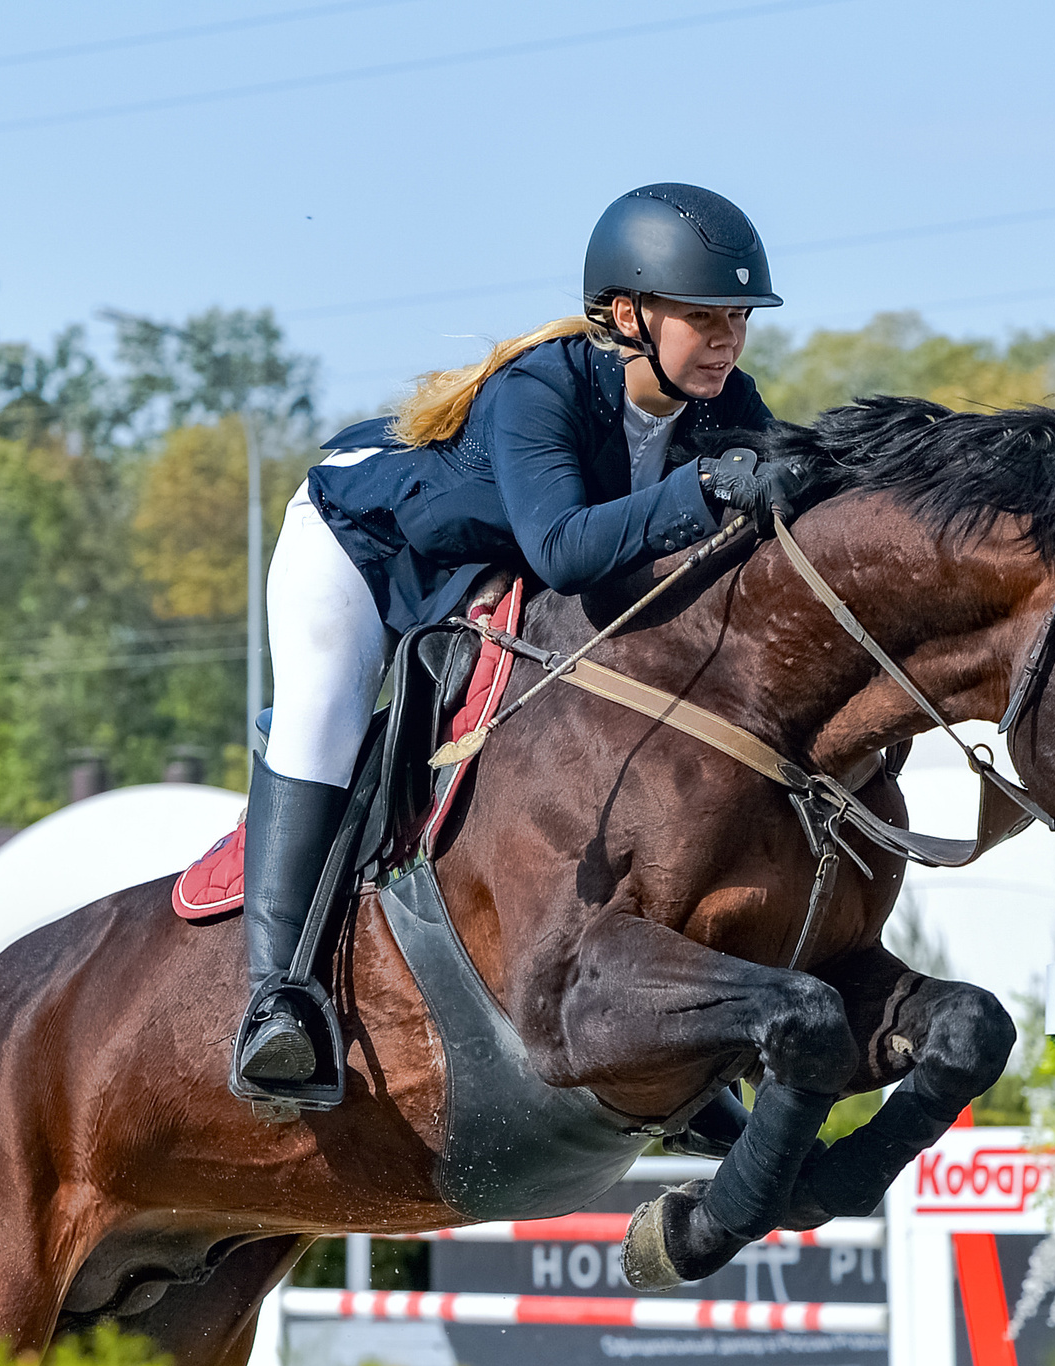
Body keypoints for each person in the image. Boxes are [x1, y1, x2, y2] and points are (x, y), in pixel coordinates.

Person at [235, 183, 797, 1109]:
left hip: (479, 579)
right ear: (627, 315)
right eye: (704, 316)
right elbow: (567, 550)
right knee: (324, 721)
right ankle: (277, 1002)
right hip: (360, 548)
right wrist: (708, 488)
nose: (729, 337)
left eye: (738, 315)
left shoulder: (725, 401)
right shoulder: (538, 389)